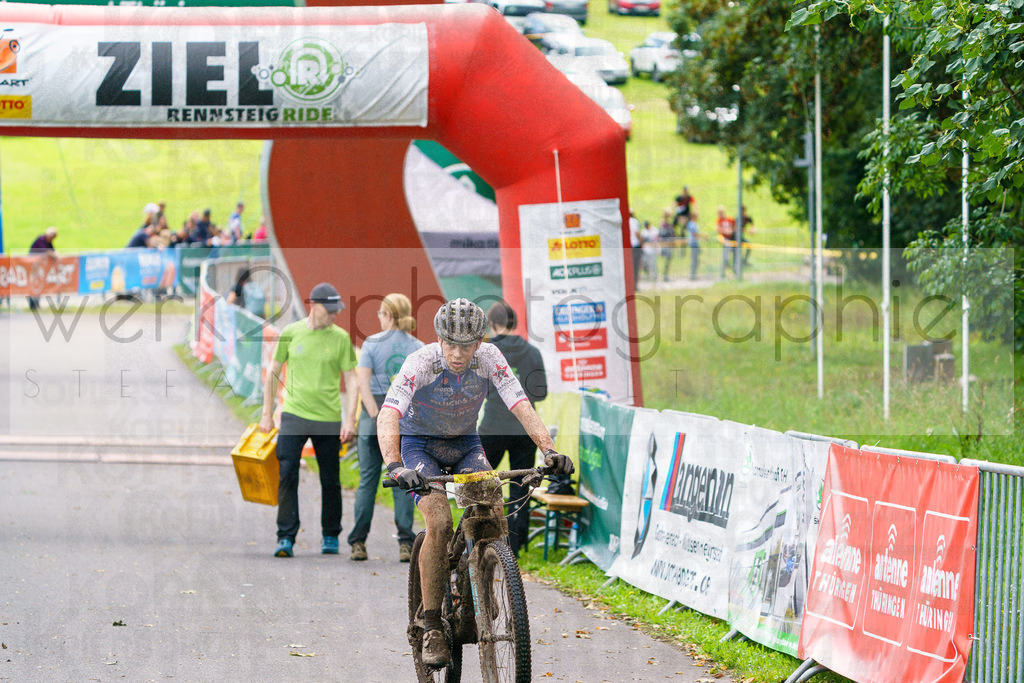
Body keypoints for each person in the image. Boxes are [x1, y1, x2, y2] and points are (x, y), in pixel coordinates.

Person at [378, 298, 573, 668]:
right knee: (439, 522)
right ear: (439, 339)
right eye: (450, 344)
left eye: (466, 346)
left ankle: (482, 581)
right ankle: (432, 626)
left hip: (466, 444)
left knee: (492, 509)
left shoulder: (490, 358)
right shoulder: (421, 362)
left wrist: (549, 450)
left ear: (479, 343)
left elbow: (521, 404)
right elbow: (389, 414)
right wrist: (395, 465)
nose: (457, 354)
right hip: (419, 446)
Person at [259, 282, 358, 559]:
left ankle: (330, 534)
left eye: (337, 311)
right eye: (330, 310)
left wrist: (350, 419)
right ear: (313, 306)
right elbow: (273, 372)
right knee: (288, 472)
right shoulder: (291, 333)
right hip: (294, 414)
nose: (334, 315)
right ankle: (286, 536)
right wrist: (266, 414)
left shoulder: (340, 338)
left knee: (330, 478)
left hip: (328, 417)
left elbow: (351, 379)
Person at [347, 293, 423, 562]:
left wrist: (376, 415)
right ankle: (405, 543)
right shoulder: (417, 347)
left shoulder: (371, 343)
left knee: (367, 481)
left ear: (388, 315)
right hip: (403, 419)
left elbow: (362, 384)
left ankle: (358, 542)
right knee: (404, 480)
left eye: (380, 313)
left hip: (374, 416)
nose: (379, 318)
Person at [478, 301, 547, 557]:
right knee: (521, 486)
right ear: (514, 323)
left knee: (481, 483)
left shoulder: (487, 351)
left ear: (492, 324)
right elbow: (541, 393)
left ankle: (480, 537)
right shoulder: (532, 352)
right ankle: (514, 548)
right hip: (524, 429)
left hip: (493, 426)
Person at [27, 227, 58, 311]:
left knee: (38, 285)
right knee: (33, 285)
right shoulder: (41, 240)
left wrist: (56, 253)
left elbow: (52, 250)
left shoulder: (48, 241)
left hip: (40, 268)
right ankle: (32, 304)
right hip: (32, 266)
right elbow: (47, 252)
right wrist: (55, 255)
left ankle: (36, 304)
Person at [659, 209, 677, 282]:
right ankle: (664, 276)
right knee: (665, 261)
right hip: (665, 245)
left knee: (668, 261)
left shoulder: (669, 225)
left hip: (669, 245)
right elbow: (663, 234)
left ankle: (665, 275)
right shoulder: (663, 225)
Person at [628, 211, 642, 289]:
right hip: (635, 246)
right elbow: (636, 233)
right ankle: (635, 285)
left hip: (627, 246)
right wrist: (642, 241)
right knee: (635, 266)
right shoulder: (634, 221)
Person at [686, 211, 701, 279]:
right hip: (694, 243)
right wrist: (701, 236)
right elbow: (694, 234)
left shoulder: (691, 224)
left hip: (694, 243)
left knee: (695, 260)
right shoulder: (693, 224)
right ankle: (693, 275)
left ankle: (694, 274)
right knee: (694, 260)